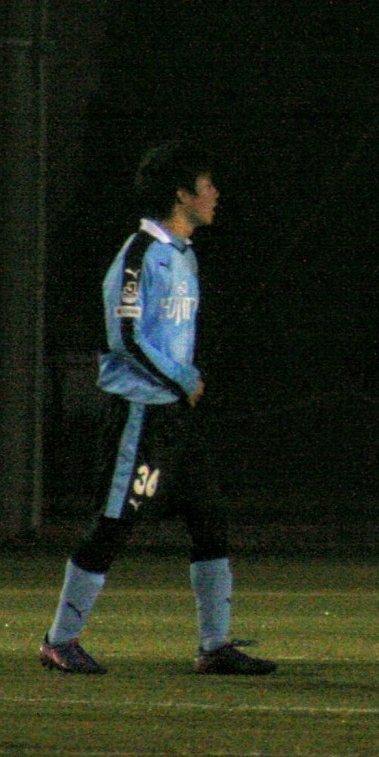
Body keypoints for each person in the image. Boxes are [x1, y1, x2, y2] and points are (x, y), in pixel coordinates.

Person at [39, 142, 275, 676]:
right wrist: (182, 378)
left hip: (175, 419)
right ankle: (59, 639)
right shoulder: (140, 255)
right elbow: (124, 337)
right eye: (207, 185)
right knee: (115, 523)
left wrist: (183, 383)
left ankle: (214, 646)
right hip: (140, 415)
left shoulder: (183, 254)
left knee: (210, 522)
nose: (216, 194)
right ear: (182, 194)